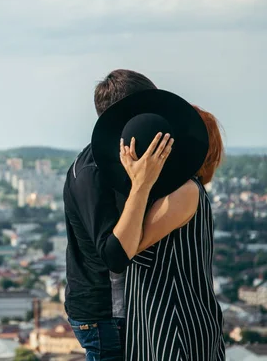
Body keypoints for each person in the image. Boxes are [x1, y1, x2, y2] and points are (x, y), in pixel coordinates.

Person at [113, 101, 225, 360]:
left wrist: (138, 183)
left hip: (177, 325)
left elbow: (124, 247)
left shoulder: (185, 192)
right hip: (156, 323)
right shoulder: (171, 193)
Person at [63, 69, 159, 360]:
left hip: (125, 311)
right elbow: (115, 254)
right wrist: (142, 185)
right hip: (105, 315)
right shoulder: (91, 173)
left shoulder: (124, 161)